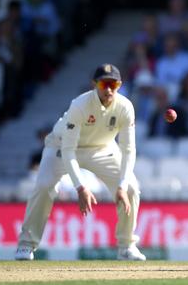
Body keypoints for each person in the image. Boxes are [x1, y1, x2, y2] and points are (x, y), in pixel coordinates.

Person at [14, 64, 146, 261]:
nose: (108, 89)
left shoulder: (125, 106)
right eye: (104, 84)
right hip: (61, 146)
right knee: (43, 186)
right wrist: (80, 187)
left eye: (113, 84)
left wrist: (121, 185)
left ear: (119, 85)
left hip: (102, 148)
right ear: (95, 84)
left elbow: (128, 149)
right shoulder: (80, 105)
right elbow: (68, 150)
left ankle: (126, 246)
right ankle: (26, 245)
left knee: (131, 189)